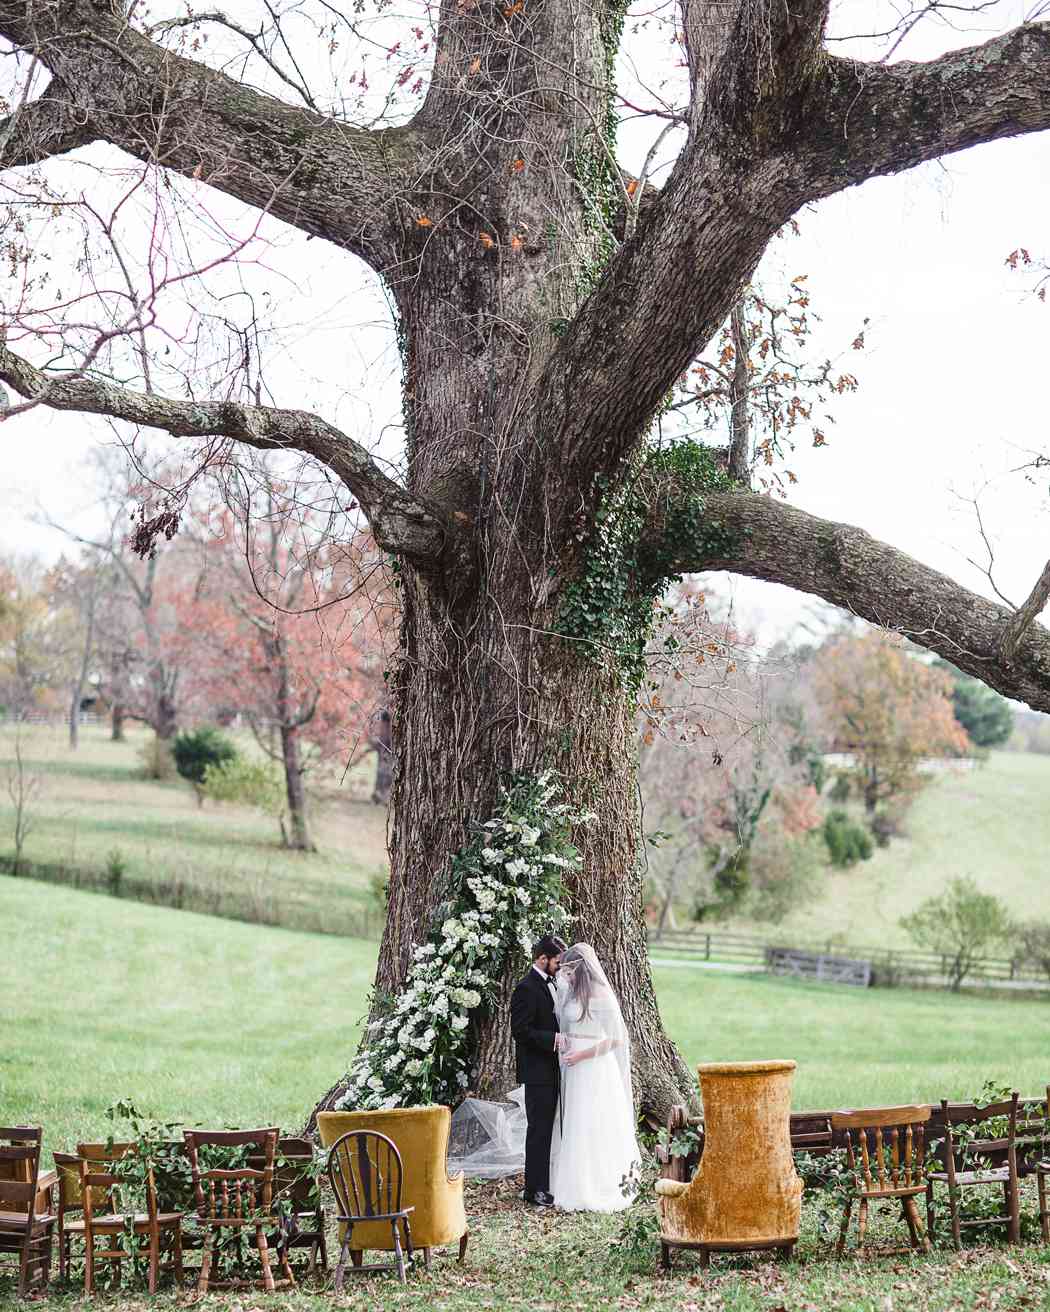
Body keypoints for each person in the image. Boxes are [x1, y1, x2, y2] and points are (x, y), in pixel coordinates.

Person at [549, 943, 641, 1211]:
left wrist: (582, 1055)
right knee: (576, 1120)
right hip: (572, 1066)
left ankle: (598, 1183)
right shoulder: (572, 991)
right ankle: (575, 1182)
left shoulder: (600, 994)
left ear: (581, 968)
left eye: (569, 969)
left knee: (593, 1121)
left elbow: (615, 1039)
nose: (565, 974)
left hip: (594, 1066)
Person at [509, 934, 567, 1207]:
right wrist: (553, 1040)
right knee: (538, 1131)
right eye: (556, 961)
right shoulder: (526, 988)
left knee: (547, 1129)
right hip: (537, 1072)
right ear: (542, 958)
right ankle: (535, 1190)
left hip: (553, 1070)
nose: (560, 966)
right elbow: (520, 1032)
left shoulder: (551, 983)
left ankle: (544, 1184)